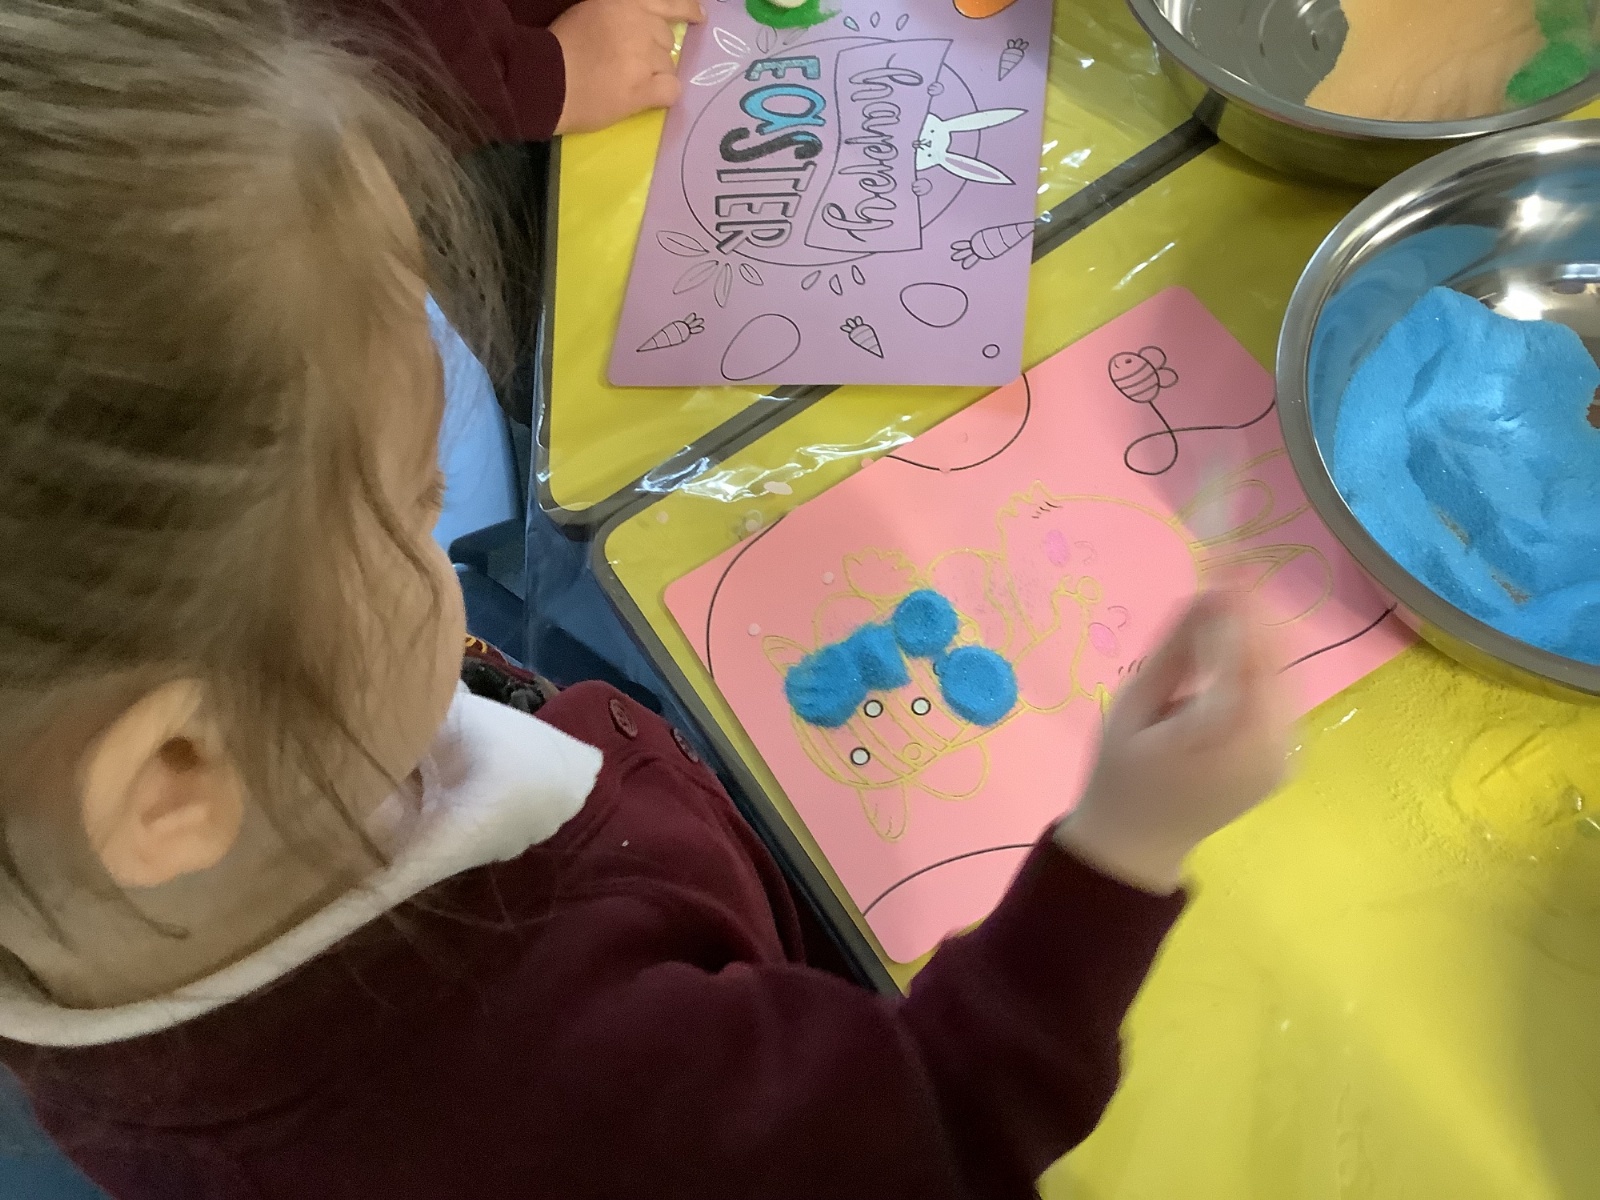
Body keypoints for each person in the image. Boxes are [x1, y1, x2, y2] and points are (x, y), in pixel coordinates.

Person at [0, 3, 1292, 1197]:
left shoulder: (92, 878)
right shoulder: (560, 1091)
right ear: (175, 770)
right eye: (414, 501)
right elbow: (939, 1121)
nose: (446, 527)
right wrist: (1120, 853)